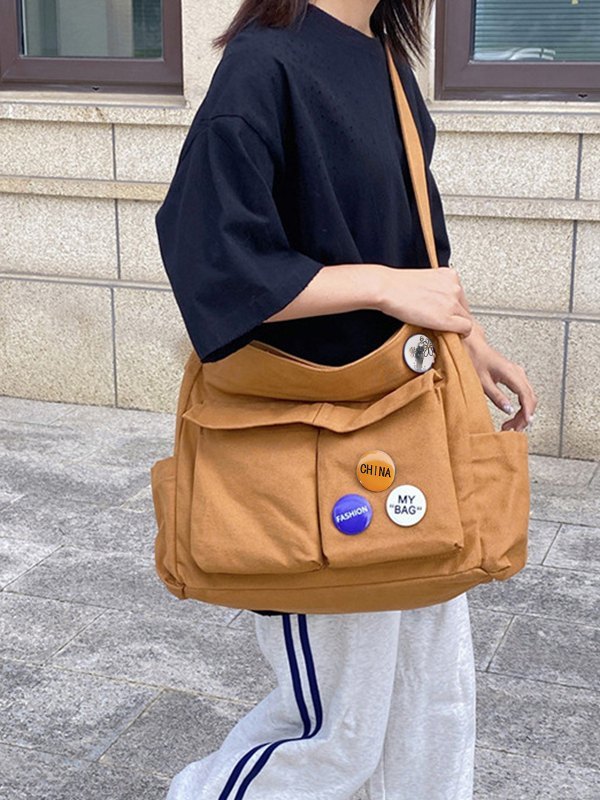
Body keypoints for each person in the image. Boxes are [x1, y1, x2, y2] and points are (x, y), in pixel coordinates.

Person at [155, 1, 538, 798]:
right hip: (307, 450)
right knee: (336, 731)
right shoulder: (265, 64)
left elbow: (416, 249)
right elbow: (212, 259)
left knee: (430, 706)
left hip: (414, 428)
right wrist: (382, 286)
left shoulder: (385, 59)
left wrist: (473, 343)